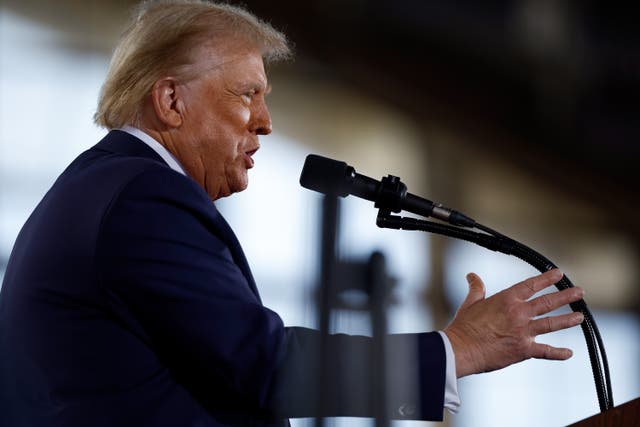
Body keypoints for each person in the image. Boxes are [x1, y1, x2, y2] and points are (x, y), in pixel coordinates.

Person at [0, 1, 585, 426]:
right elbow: (266, 367)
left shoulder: (103, 189)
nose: (265, 122)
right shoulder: (142, 199)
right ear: (171, 100)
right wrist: (458, 349)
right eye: (246, 93)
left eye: (267, 98)